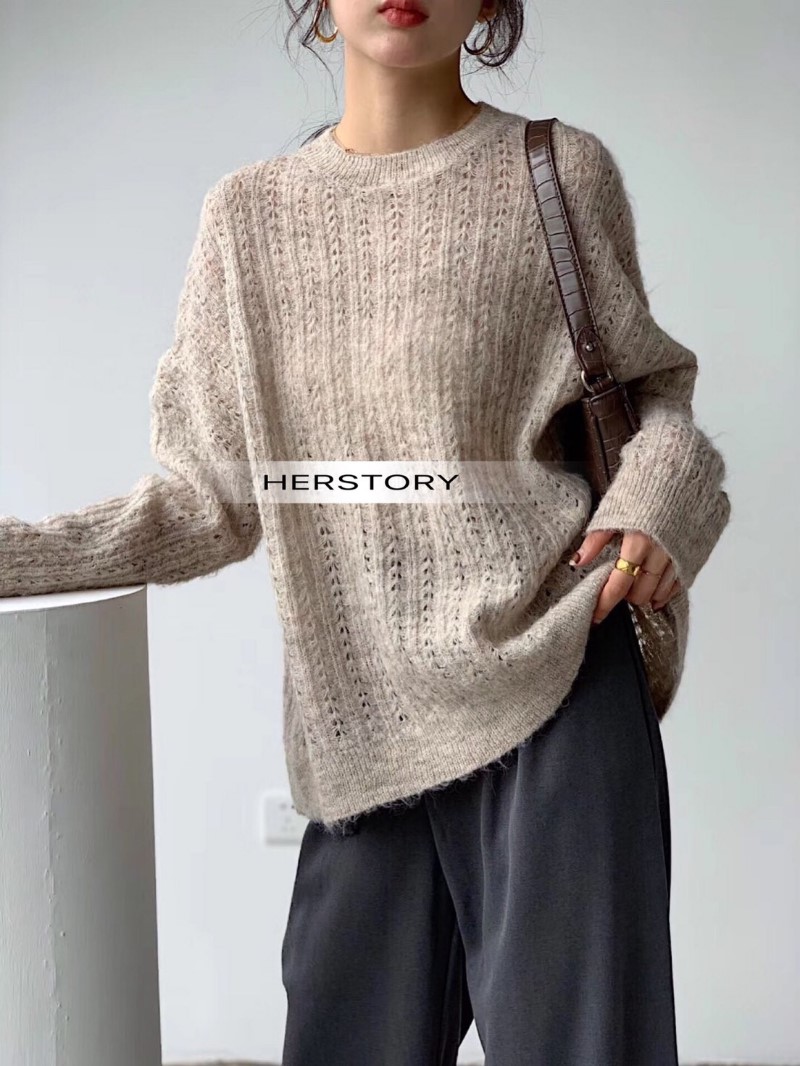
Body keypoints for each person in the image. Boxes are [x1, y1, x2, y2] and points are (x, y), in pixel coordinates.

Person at [1, 1, 733, 1062]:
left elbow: (654, 397)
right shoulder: (248, 220)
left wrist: (655, 500)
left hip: (559, 690)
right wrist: (19, 553)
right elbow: (207, 501)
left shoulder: (558, 174)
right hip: (359, 740)